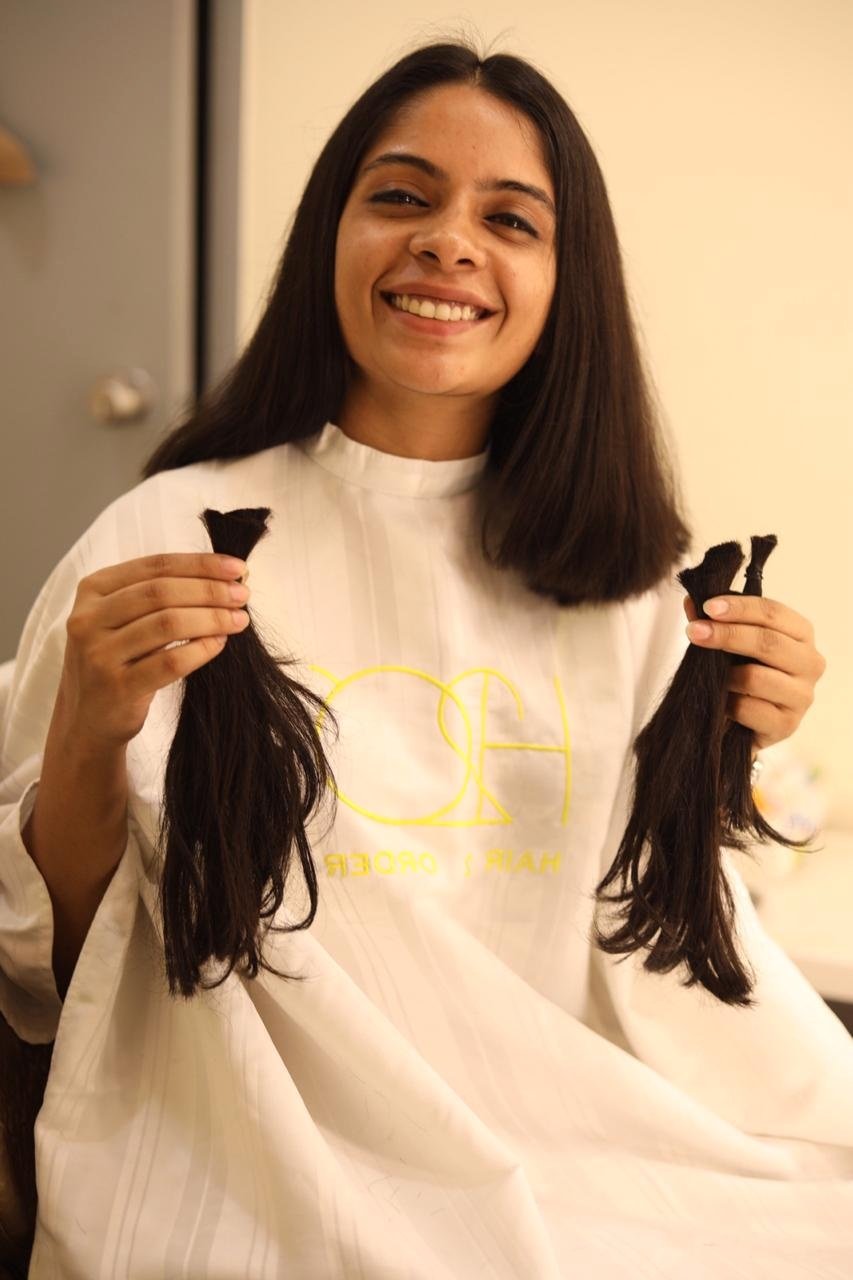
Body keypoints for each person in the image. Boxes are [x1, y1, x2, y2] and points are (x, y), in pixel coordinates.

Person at [0, 38, 848, 1280]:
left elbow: (663, 936)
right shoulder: (165, 537)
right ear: (326, 237)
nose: (450, 240)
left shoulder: (630, 575)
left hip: (604, 1141)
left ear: (569, 279)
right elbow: (51, 962)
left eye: (511, 218)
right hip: (254, 1153)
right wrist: (86, 726)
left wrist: (727, 747)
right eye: (401, 196)